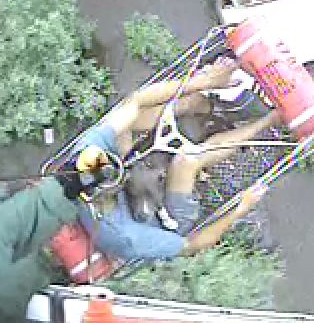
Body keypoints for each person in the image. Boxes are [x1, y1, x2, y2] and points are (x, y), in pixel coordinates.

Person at [58, 57, 281, 261]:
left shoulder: (86, 154)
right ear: (98, 195)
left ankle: (213, 103)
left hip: (128, 187)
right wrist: (241, 208)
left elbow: (134, 102)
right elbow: (193, 245)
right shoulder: (127, 238)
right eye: (111, 177)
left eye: (111, 166)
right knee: (186, 161)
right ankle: (267, 121)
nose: (114, 171)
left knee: (127, 119)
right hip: (163, 218)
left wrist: (204, 81)